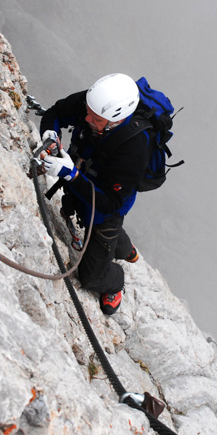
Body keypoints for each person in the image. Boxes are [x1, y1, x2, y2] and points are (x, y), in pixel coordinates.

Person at [38, 73, 148, 315]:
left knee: (89, 277)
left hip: (107, 210)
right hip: (82, 184)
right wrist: (49, 134)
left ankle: (116, 280)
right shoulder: (94, 105)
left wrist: (73, 176)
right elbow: (55, 113)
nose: (86, 118)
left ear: (115, 121)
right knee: (105, 230)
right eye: (87, 111)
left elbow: (109, 203)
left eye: (95, 119)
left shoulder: (134, 148)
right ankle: (125, 250)